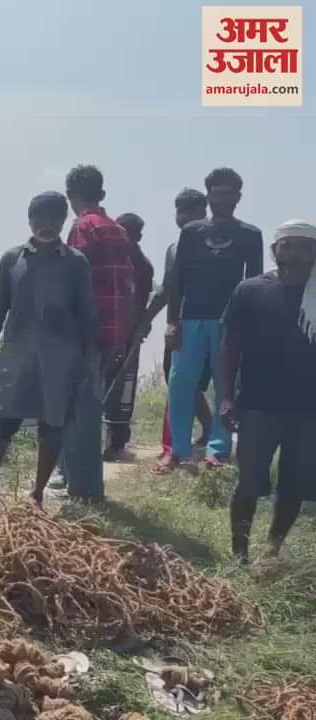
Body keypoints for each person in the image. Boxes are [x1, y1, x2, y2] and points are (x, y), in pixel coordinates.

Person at [0, 192, 95, 520]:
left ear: (63, 221)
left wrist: (86, 362)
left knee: (51, 427)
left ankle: (37, 496)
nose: (47, 224)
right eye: (40, 218)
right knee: (0, 424)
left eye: (54, 218)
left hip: (59, 360)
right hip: (16, 358)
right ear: (29, 220)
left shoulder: (77, 263)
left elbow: (86, 316)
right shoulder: (12, 259)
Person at [221, 220, 316, 563]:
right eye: (287, 245)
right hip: (258, 405)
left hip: (308, 410)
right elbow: (231, 347)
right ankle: (239, 554)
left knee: (293, 486)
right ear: (275, 251)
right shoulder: (249, 291)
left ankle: (273, 547)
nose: (295, 252)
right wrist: (228, 397)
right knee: (249, 483)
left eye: (304, 246)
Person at [162, 168, 264, 472]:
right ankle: (176, 450)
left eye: (229, 194)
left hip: (228, 323)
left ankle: (217, 450)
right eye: (217, 193)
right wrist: (172, 322)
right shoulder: (192, 232)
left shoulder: (250, 234)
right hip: (191, 318)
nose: (223, 199)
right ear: (209, 196)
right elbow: (176, 280)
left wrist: (250, 327)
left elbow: (255, 282)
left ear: (238, 197)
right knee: (181, 384)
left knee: (225, 386)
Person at [56, 165, 135, 500]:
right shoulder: (118, 230)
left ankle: (83, 488)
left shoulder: (82, 228)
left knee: (78, 411)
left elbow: (73, 281)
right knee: (89, 406)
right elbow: (132, 281)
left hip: (84, 332)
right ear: (101, 195)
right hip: (111, 331)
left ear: (70, 196)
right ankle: (79, 480)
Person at [142, 189, 214, 461]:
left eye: (190, 211)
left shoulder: (216, 242)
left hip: (212, 323)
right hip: (181, 324)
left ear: (203, 212)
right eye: (179, 211)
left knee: (205, 380)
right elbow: (168, 288)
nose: (183, 217)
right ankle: (190, 438)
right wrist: (146, 320)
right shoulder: (174, 248)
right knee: (179, 378)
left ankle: (214, 438)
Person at [105, 212, 155, 461]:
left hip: (127, 334)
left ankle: (117, 441)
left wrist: (138, 328)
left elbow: (141, 302)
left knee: (123, 389)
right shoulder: (109, 258)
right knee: (106, 385)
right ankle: (104, 439)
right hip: (108, 333)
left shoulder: (142, 265)